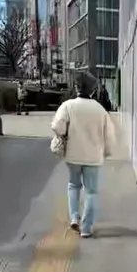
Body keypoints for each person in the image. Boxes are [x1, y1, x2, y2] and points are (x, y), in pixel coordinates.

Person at [51, 74, 118, 238]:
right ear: (93, 90)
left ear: (76, 87)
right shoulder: (100, 110)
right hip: (93, 157)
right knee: (91, 192)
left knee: (73, 185)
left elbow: (58, 127)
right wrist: (107, 151)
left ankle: (74, 217)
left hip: (73, 154)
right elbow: (109, 135)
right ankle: (87, 228)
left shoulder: (68, 106)